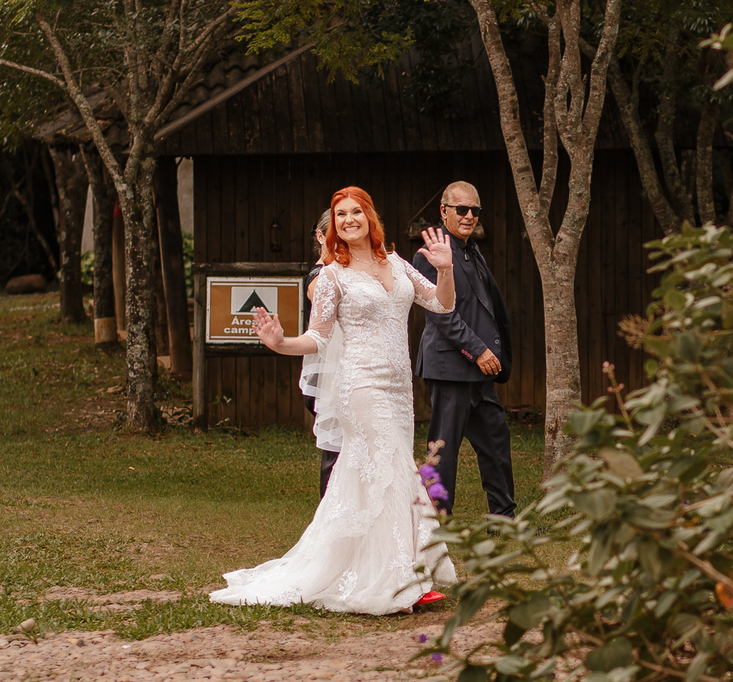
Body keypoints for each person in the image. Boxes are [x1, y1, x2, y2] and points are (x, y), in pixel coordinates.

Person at [211, 187, 457, 615]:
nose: (348, 219)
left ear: (369, 216)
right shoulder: (331, 276)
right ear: (333, 227)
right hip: (360, 386)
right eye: (340, 214)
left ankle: (373, 568)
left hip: (400, 390)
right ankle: (403, 578)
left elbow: (441, 303)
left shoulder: (395, 263)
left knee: (371, 479)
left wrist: (446, 269)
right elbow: (318, 337)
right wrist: (280, 342)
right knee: (396, 470)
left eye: (355, 211)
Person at [412, 180, 515, 520]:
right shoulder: (433, 251)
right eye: (462, 209)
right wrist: (478, 350)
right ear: (444, 211)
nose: (469, 216)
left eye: (475, 210)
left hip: (481, 370)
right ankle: (436, 521)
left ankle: (504, 519)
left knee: (496, 441)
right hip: (450, 366)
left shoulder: (471, 249)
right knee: (444, 448)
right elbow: (441, 315)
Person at [299, 208, 340, 498]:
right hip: (329, 375)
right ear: (320, 236)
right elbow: (315, 291)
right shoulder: (320, 273)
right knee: (335, 448)